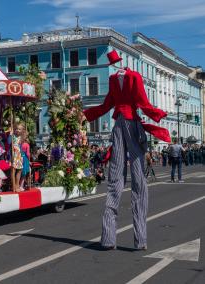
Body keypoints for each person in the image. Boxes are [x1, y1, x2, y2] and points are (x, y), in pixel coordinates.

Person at [83, 50, 170, 251]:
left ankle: (108, 239)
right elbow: (142, 102)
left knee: (115, 178)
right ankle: (140, 240)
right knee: (139, 181)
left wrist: (86, 115)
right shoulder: (133, 76)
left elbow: (106, 106)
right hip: (132, 125)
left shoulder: (114, 79)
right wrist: (158, 114)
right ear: (123, 62)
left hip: (118, 126)